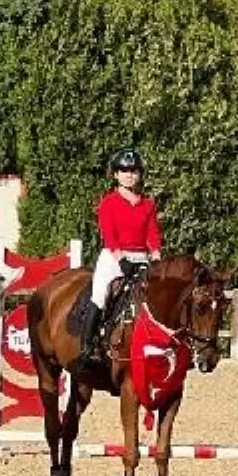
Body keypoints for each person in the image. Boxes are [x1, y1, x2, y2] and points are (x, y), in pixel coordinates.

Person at [80, 148, 163, 362]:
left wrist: (156, 258)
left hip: (142, 257)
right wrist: (122, 260)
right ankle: (87, 346)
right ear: (116, 174)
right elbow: (109, 234)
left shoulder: (148, 204)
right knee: (100, 295)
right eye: (124, 170)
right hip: (113, 257)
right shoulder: (108, 202)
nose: (130, 175)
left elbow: (153, 234)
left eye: (134, 171)